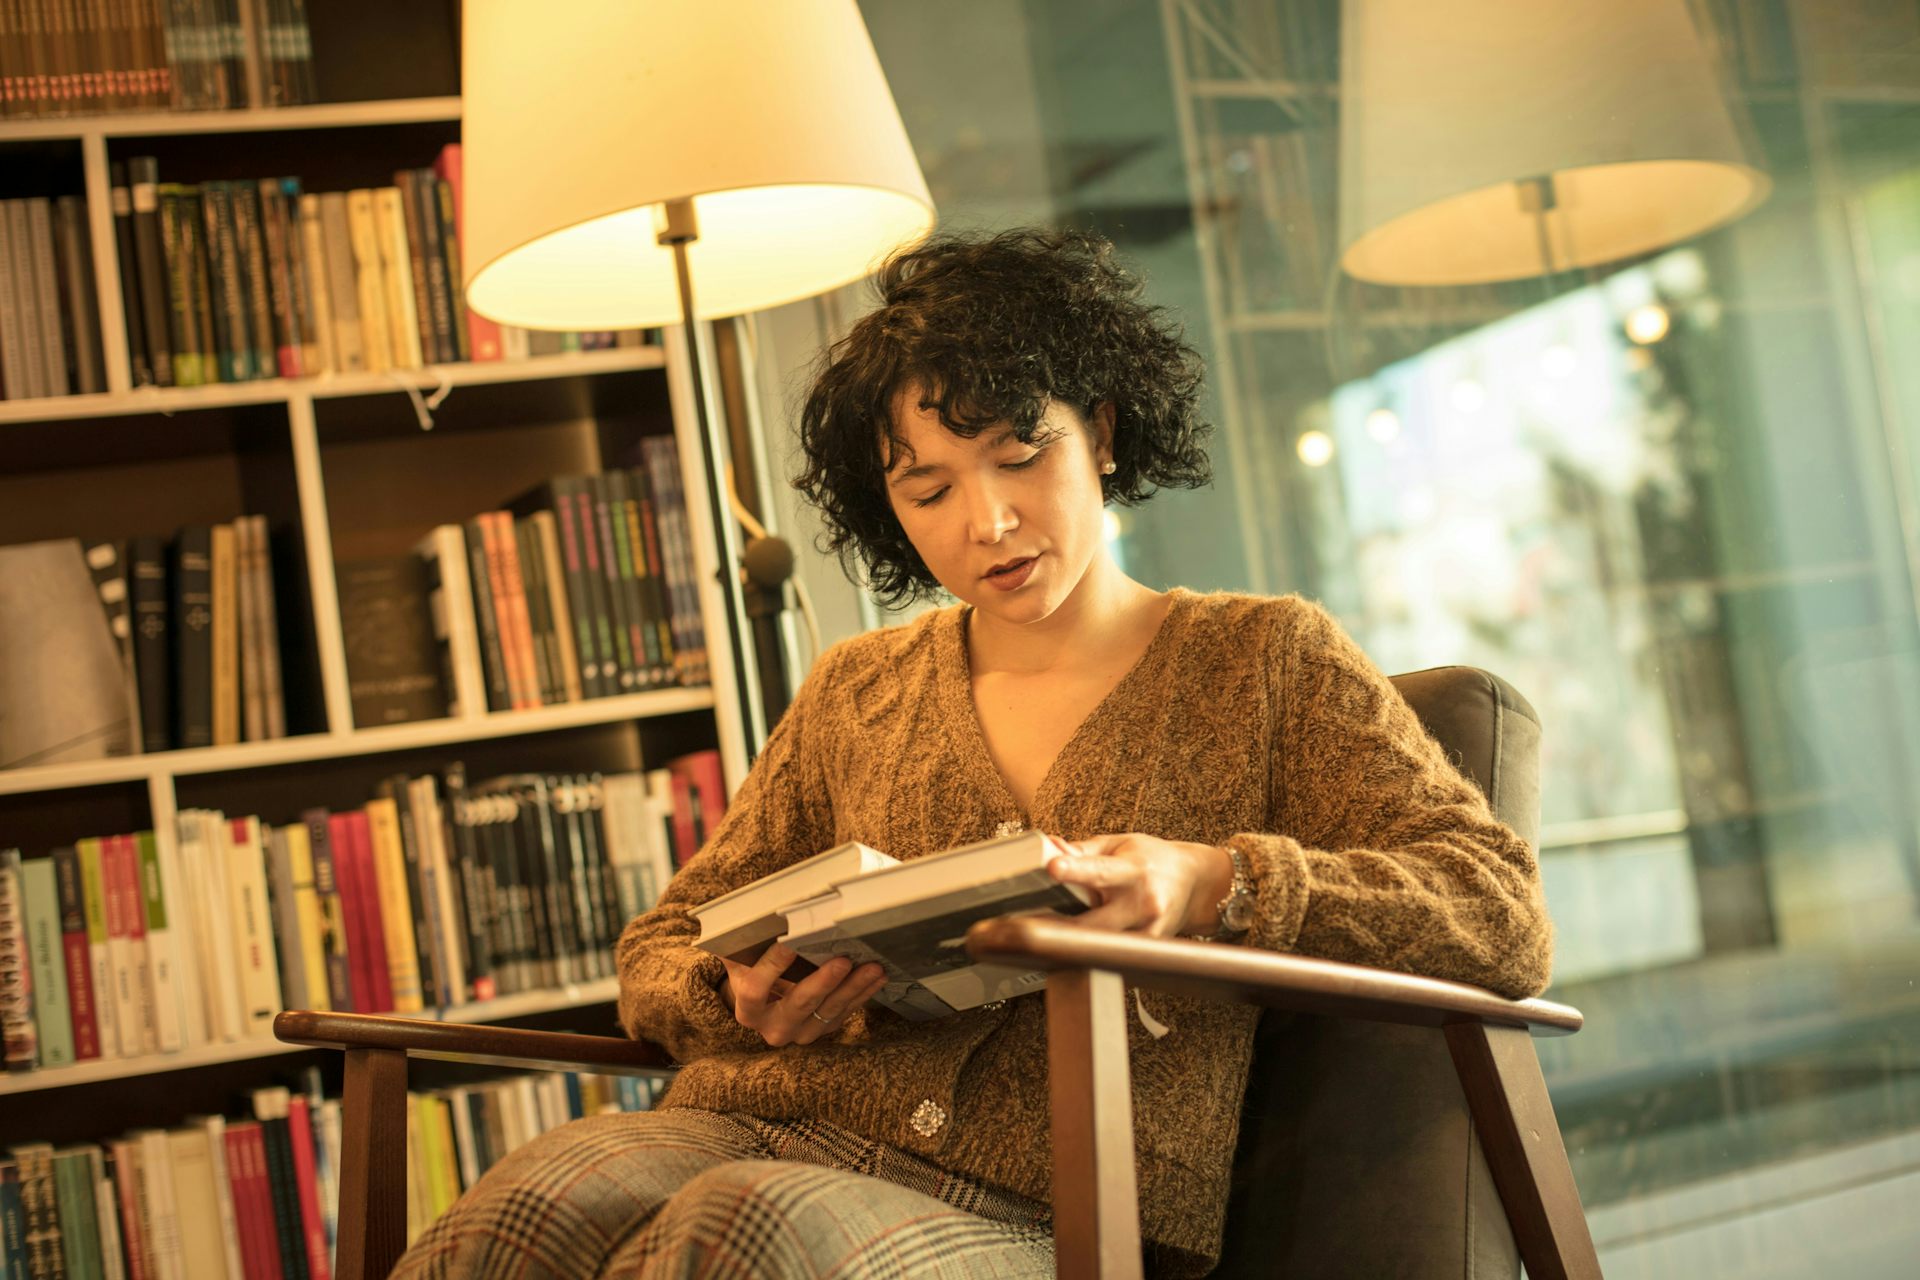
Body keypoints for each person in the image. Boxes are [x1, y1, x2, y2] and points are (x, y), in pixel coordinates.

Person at [393, 229, 1555, 1279]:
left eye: (1019, 454)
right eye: (930, 487)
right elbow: (661, 941)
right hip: (745, 1119)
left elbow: (1498, 910)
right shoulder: (860, 687)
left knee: (739, 1231)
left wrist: (1214, 882)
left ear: (1098, 429)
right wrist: (733, 994)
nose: (985, 521)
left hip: (1049, 1205)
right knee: (522, 1203)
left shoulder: (1265, 658)